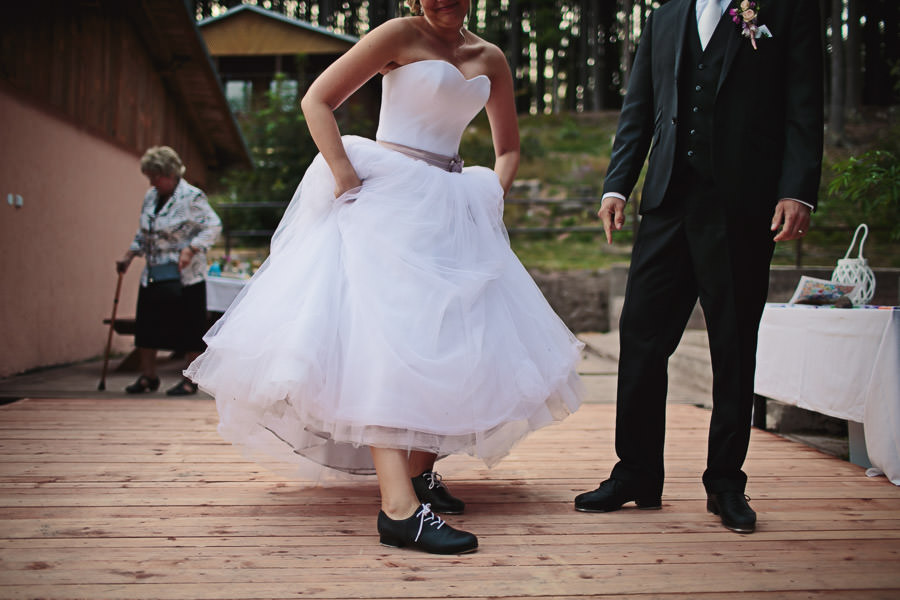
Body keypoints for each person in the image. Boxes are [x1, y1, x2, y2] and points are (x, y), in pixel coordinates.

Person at [185, 0, 584, 555]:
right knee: (388, 339)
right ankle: (398, 510)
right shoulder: (398, 33)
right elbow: (317, 100)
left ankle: (419, 474)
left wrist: (488, 196)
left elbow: (508, 148)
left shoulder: (490, 57)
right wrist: (343, 174)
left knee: (450, 337)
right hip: (389, 197)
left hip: (452, 205)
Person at [574, 0, 823, 533]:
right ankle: (637, 472)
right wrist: (618, 185)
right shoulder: (665, 18)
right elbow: (640, 107)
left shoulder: (787, 11)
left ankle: (726, 482)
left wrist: (798, 191)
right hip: (667, 202)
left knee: (732, 344)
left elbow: (804, 106)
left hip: (742, 206)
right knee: (641, 337)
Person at [117, 146, 222, 396]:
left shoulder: (191, 197)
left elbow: (213, 226)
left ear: (171, 173)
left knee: (190, 326)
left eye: (156, 176)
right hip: (154, 272)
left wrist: (191, 249)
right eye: (150, 177)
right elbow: (144, 232)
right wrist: (129, 256)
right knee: (147, 325)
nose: (152, 182)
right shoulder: (151, 197)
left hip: (186, 275)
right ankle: (148, 376)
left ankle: (190, 380)